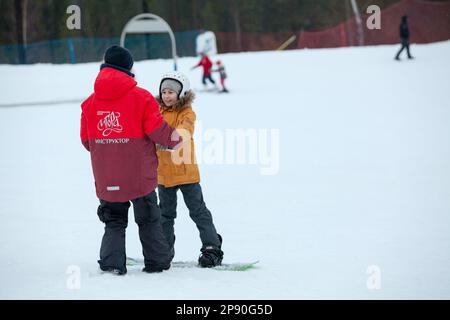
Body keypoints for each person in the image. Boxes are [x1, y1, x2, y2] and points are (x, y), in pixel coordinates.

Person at [80, 45, 182, 275]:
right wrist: (177, 140)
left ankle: (112, 264)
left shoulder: (89, 104)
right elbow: (158, 130)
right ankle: (157, 262)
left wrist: (108, 146)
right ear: (127, 68)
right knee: (148, 219)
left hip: (107, 176)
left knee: (113, 220)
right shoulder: (142, 98)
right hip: (139, 175)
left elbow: (87, 142)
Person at [155, 71, 224, 267]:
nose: (167, 96)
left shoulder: (186, 112)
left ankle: (212, 248)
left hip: (186, 173)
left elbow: (185, 131)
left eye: (171, 92)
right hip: (164, 175)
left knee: (198, 211)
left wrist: (167, 140)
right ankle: (164, 250)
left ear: (181, 93)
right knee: (165, 216)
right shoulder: (156, 111)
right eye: (164, 92)